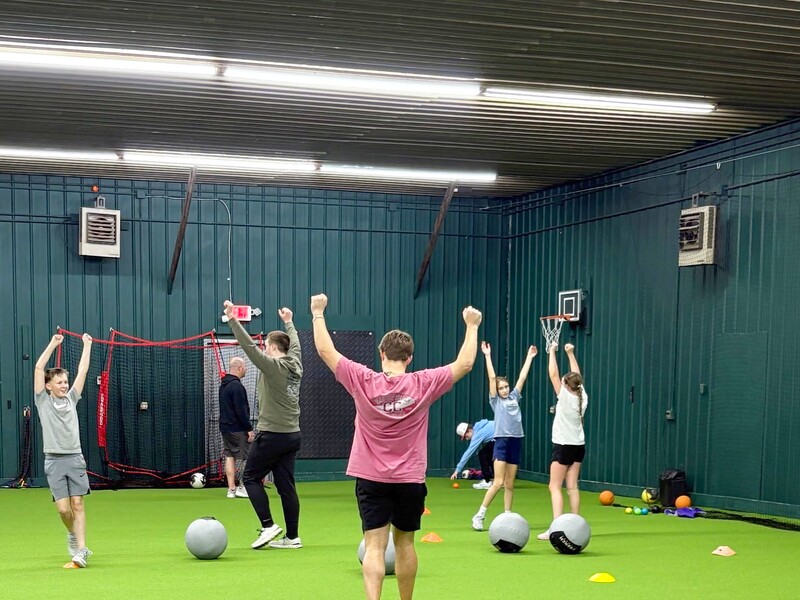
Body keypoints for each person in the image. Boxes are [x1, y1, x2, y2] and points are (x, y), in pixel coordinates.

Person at [311, 293, 481, 600]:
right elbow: (466, 362)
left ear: (381, 353)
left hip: (371, 477)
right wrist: (471, 325)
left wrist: (317, 312)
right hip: (409, 481)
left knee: (374, 546)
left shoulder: (362, 379)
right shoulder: (424, 382)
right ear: (410, 357)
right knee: (405, 544)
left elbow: (325, 350)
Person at [223, 300, 304, 550]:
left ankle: (268, 526)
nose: (264, 349)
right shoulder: (296, 363)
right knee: (285, 486)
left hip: (272, 435)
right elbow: (297, 345)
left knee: (250, 478)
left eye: (266, 346)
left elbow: (249, 348)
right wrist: (289, 321)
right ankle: (292, 537)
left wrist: (233, 319)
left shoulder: (273, 366)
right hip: (293, 435)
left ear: (271, 347)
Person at [33, 332, 94, 568]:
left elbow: (83, 372)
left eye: (65, 382)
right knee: (63, 509)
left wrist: (86, 345)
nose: (64, 385)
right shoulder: (42, 402)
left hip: (75, 459)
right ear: (48, 386)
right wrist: (52, 344)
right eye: (59, 382)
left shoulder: (71, 399)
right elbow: (39, 368)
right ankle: (72, 533)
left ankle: (81, 551)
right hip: (54, 461)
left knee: (77, 504)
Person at [471, 342, 537, 531]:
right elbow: (492, 377)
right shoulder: (496, 401)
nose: (505, 390)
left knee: (509, 483)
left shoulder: (514, 396)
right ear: (497, 391)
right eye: (502, 388)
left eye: (506, 386)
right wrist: (487, 355)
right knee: (498, 482)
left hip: (516, 441)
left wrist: (530, 357)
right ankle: (480, 515)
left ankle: (507, 516)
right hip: (502, 441)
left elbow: (523, 377)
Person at [537, 342, 588, 540]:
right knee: (572, 486)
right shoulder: (582, 394)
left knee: (554, 486)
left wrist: (551, 351)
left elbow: (553, 375)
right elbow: (576, 374)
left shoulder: (565, 396)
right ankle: (576, 526)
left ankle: (556, 528)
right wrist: (570, 352)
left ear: (567, 385)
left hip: (564, 446)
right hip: (578, 446)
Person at [219, 356, 254, 499]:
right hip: (238, 428)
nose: (246, 369)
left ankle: (231, 489)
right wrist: (249, 429)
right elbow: (241, 410)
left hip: (225, 428)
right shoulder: (237, 386)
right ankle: (242, 487)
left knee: (229, 456)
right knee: (244, 457)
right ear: (239, 368)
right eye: (245, 367)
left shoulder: (223, 386)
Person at [450, 420, 495, 490]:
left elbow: (468, 453)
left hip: (502, 438)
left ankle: (488, 481)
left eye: (466, 436)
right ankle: (498, 480)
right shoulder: (479, 427)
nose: (467, 439)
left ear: (469, 430)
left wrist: (457, 470)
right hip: (504, 437)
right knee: (488, 454)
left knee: (483, 454)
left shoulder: (477, 434)